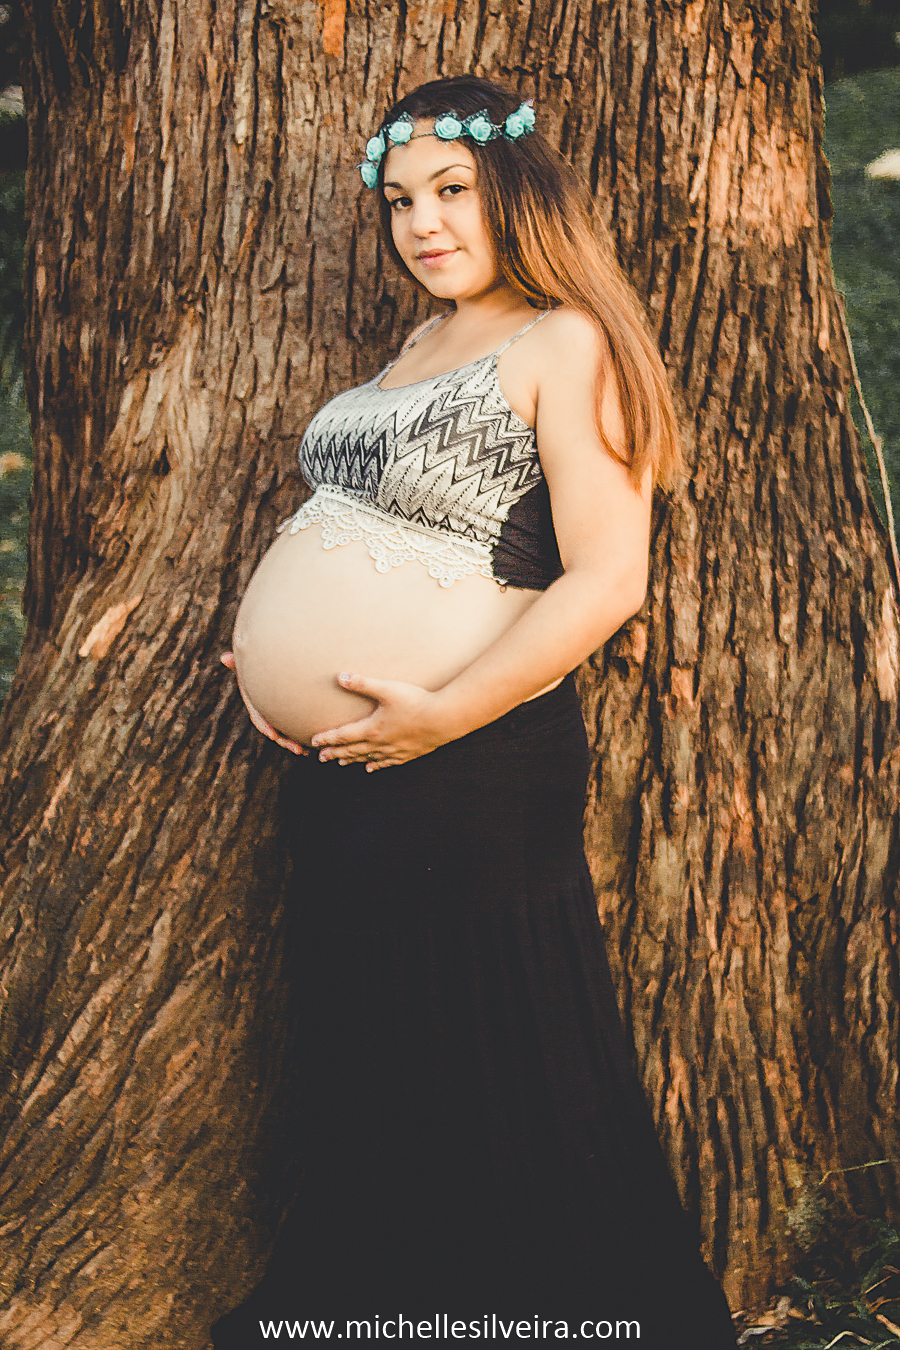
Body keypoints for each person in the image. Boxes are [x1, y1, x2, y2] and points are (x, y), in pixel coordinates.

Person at [215, 75, 738, 1347]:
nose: (423, 223)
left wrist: (442, 712)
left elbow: (610, 577)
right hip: (347, 773)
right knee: (382, 1061)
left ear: (517, 190)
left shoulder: (566, 341)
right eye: (400, 201)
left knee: (497, 1054)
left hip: (472, 764)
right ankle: (395, 1320)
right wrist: (270, 647)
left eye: (451, 192)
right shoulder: (412, 349)